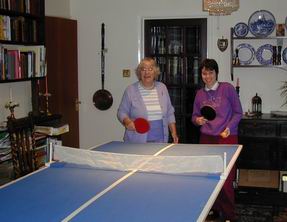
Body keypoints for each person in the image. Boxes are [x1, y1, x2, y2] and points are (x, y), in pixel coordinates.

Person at [192, 58, 243, 221]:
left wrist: (229, 128)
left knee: (226, 180)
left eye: (210, 73)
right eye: (204, 73)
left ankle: (229, 214)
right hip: (206, 138)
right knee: (209, 178)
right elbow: (194, 116)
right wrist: (197, 120)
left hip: (226, 137)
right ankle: (213, 209)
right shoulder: (200, 94)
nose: (207, 76)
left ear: (216, 73)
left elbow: (238, 112)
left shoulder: (227, 89)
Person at [117, 57, 178, 144]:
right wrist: (127, 122)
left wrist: (174, 133)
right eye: (143, 69)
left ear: (155, 72)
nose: (147, 72)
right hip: (136, 141)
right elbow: (121, 112)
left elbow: (169, 112)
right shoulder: (130, 90)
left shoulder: (162, 88)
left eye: (150, 69)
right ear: (139, 73)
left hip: (160, 140)